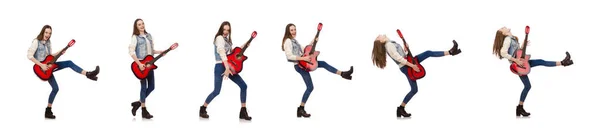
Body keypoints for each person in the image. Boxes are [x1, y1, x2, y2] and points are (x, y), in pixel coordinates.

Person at [371, 34, 461, 118]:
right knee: (414, 89)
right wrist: (412, 66)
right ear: (381, 42)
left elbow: (401, 55)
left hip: (408, 61)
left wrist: (406, 49)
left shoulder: (390, 43)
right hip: (406, 66)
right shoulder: (388, 45)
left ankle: (451, 52)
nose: (379, 35)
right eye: (378, 37)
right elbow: (399, 58)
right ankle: (400, 108)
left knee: (428, 53)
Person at [492, 26, 573, 117]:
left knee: (541, 62)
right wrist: (516, 60)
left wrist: (523, 45)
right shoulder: (507, 39)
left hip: (522, 62)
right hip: (519, 66)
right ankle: (520, 107)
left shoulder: (512, 38)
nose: (505, 27)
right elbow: (503, 53)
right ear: (503, 33)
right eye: (503, 28)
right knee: (527, 86)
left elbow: (518, 52)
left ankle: (563, 62)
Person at [281, 23, 354, 118]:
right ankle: (300, 109)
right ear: (288, 31)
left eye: (295, 29)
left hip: (304, 63)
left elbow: (304, 49)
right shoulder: (287, 41)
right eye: (291, 30)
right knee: (310, 87)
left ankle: (343, 74)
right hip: (299, 66)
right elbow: (289, 56)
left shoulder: (294, 40)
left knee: (322, 63)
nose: (294, 31)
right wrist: (304, 59)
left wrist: (313, 41)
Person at [27, 25, 100, 119]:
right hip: (41, 69)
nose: (48, 35)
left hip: (49, 67)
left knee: (67, 65)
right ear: (42, 32)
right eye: (46, 32)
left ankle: (88, 74)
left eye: (49, 33)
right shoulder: (36, 42)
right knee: (56, 88)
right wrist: (41, 65)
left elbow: (50, 56)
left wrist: (60, 51)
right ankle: (48, 111)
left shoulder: (49, 43)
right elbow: (29, 55)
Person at [199, 21, 252, 121]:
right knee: (217, 91)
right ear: (221, 29)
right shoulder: (219, 38)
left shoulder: (227, 40)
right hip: (221, 65)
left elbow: (232, 53)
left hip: (229, 65)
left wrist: (245, 44)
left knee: (243, 86)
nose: (226, 31)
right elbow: (222, 52)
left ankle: (243, 111)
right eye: (224, 29)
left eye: (228, 30)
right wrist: (227, 68)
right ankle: (203, 108)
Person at [129, 18, 173, 119]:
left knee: (152, 87)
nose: (142, 25)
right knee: (143, 87)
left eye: (142, 23)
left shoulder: (149, 36)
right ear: (136, 27)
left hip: (150, 65)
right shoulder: (135, 37)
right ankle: (144, 110)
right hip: (141, 67)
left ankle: (138, 103)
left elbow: (151, 52)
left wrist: (160, 52)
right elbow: (131, 52)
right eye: (139, 24)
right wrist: (139, 63)